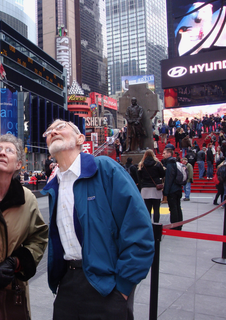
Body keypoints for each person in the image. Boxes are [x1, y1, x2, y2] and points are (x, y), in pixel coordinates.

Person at [41, 119, 154, 320]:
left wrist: (123, 288)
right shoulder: (54, 185)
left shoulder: (104, 168)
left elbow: (138, 229)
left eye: (60, 127)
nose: (53, 132)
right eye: (49, 131)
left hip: (107, 287)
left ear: (80, 139)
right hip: (67, 285)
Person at [0, 134, 48, 318]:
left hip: (12, 294)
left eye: (9, 150)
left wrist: (17, 262)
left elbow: (39, 238)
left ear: (18, 164)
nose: (2, 153)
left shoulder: (28, 199)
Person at [137, 149, 165, 223]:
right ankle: (156, 225)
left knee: (147, 208)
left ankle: (148, 225)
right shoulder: (157, 164)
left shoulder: (142, 165)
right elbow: (162, 174)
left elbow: (139, 177)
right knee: (156, 209)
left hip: (146, 188)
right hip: (155, 187)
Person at [162, 148, 183, 230]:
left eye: (164, 153)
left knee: (173, 208)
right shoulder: (175, 162)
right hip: (178, 188)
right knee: (178, 207)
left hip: (173, 190)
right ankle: (179, 224)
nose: (163, 155)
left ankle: (175, 226)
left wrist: (166, 192)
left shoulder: (170, 164)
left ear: (169, 154)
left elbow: (169, 179)